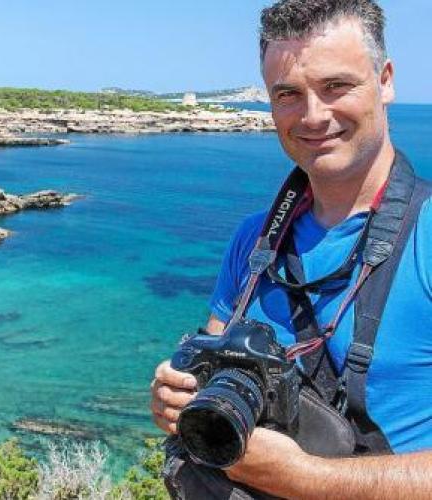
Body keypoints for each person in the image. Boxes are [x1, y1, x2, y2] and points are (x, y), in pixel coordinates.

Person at [150, 0, 432, 498]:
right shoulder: (255, 241)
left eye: (336, 86)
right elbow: (213, 371)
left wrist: (305, 479)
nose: (313, 115)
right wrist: (180, 398)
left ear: (385, 80)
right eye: (288, 94)